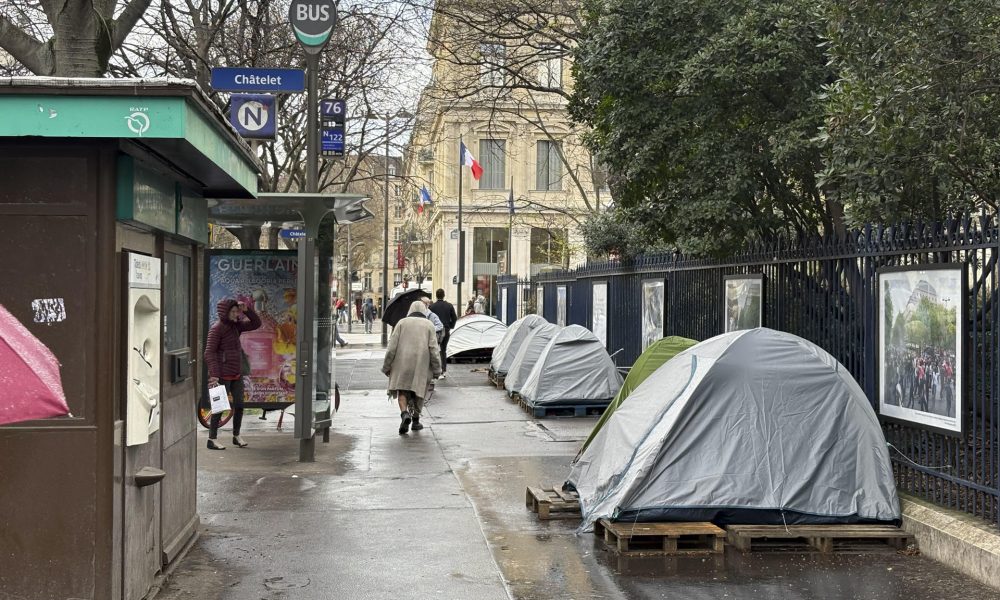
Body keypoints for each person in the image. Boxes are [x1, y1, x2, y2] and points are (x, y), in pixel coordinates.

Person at [205, 298, 261, 450]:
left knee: (240, 405)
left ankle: (236, 436)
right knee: (219, 407)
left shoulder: (236, 326)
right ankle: (212, 439)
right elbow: (209, 352)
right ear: (226, 312)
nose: (237, 314)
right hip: (222, 374)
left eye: (237, 311)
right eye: (234, 312)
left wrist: (247, 310)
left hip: (236, 373)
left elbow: (256, 324)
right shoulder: (217, 328)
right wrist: (215, 374)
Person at [382, 300, 442, 434]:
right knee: (418, 391)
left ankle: (404, 414)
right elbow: (434, 349)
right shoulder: (429, 325)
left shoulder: (401, 323)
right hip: (421, 364)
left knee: (402, 390)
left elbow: (391, 348)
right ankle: (415, 421)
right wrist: (437, 369)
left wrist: (386, 366)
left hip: (401, 364)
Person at [429, 289, 457, 378]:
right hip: (446, 330)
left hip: (435, 331)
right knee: (443, 350)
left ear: (436, 296)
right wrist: (451, 326)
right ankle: (443, 370)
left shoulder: (432, 307)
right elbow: (455, 318)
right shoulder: (449, 306)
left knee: (434, 350)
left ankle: (435, 369)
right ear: (444, 295)